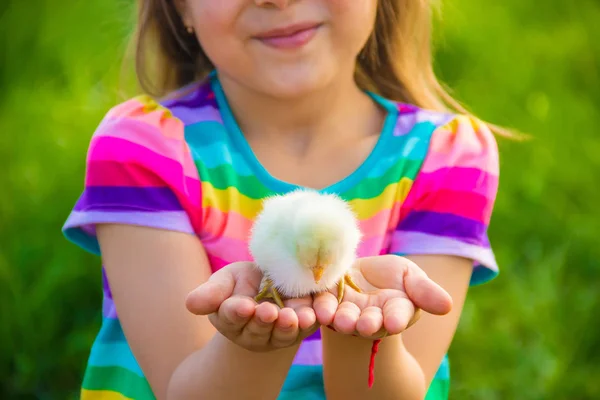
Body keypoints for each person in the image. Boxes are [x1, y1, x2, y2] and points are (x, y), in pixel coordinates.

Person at [62, 0, 504, 399]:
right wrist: (254, 340)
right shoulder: (144, 148)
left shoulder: (447, 158)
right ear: (180, 8)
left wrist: (363, 330)